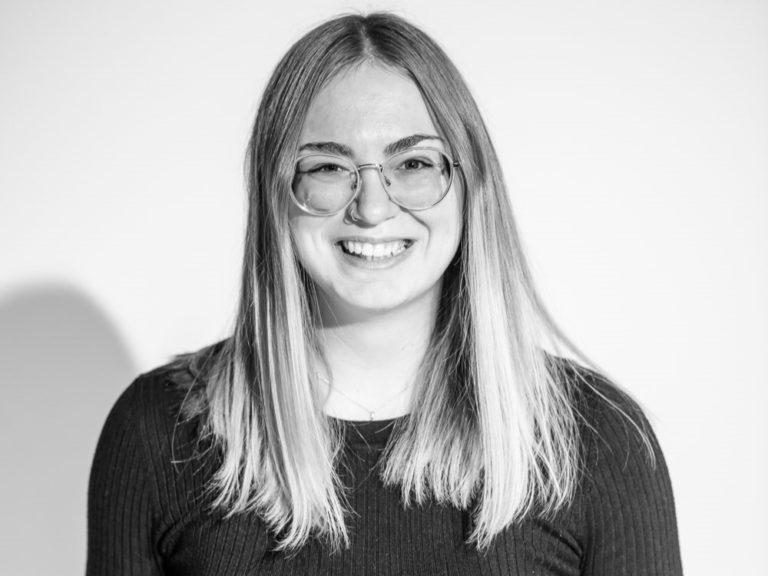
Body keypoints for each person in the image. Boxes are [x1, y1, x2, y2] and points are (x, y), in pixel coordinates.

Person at [87, 12, 683, 575]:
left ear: (470, 184)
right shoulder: (156, 433)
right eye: (327, 168)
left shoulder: (599, 443)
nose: (372, 208)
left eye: (414, 164)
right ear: (275, 194)